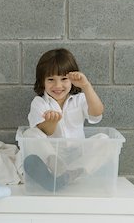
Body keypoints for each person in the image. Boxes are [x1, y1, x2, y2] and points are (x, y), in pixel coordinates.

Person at [20, 48, 106, 191]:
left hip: (78, 154)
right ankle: (58, 171)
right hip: (52, 157)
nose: (58, 86)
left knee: (103, 139)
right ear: (42, 82)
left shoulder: (80, 100)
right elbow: (44, 132)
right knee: (30, 134)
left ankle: (73, 174)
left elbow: (97, 113)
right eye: (51, 80)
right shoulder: (40, 103)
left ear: (72, 80)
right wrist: (51, 123)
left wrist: (86, 86)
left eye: (64, 79)